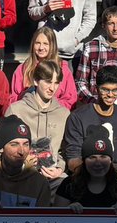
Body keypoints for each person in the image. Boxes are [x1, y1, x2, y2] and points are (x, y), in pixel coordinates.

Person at [63, 65, 117, 202]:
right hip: (86, 173)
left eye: (115, 90)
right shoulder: (78, 117)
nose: (110, 95)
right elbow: (72, 156)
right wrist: (91, 175)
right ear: (96, 88)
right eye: (105, 90)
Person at [6, 60, 70, 195]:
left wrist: (60, 168)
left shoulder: (63, 114)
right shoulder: (16, 110)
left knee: (69, 189)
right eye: (47, 81)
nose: (52, 88)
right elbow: (3, 149)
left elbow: (65, 151)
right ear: (36, 81)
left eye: (56, 82)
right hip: (20, 176)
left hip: (53, 178)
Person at [9, 27, 77, 110]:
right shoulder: (22, 69)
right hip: (27, 114)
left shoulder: (63, 69)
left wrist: (48, 105)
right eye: (37, 43)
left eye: (45, 44)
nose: (41, 48)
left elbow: (70, 100)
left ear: (52, 45)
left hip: (54, 116)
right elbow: (13, 98)